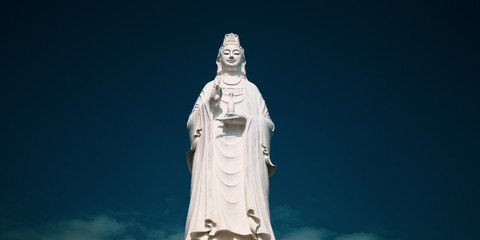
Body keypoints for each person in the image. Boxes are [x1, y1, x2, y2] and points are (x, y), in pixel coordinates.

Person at [185, 33, 276, 240]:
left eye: (236, 53)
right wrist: (210, 103)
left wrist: (248, 120)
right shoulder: (209, 87)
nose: (231, 56)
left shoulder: (252, 90)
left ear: (243, 59)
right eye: (227, 52)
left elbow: (269, 124)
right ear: (219, 59)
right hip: (214, 154)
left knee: (246, 203)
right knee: (212, 200)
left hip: (245, 156)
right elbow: (191, 123)